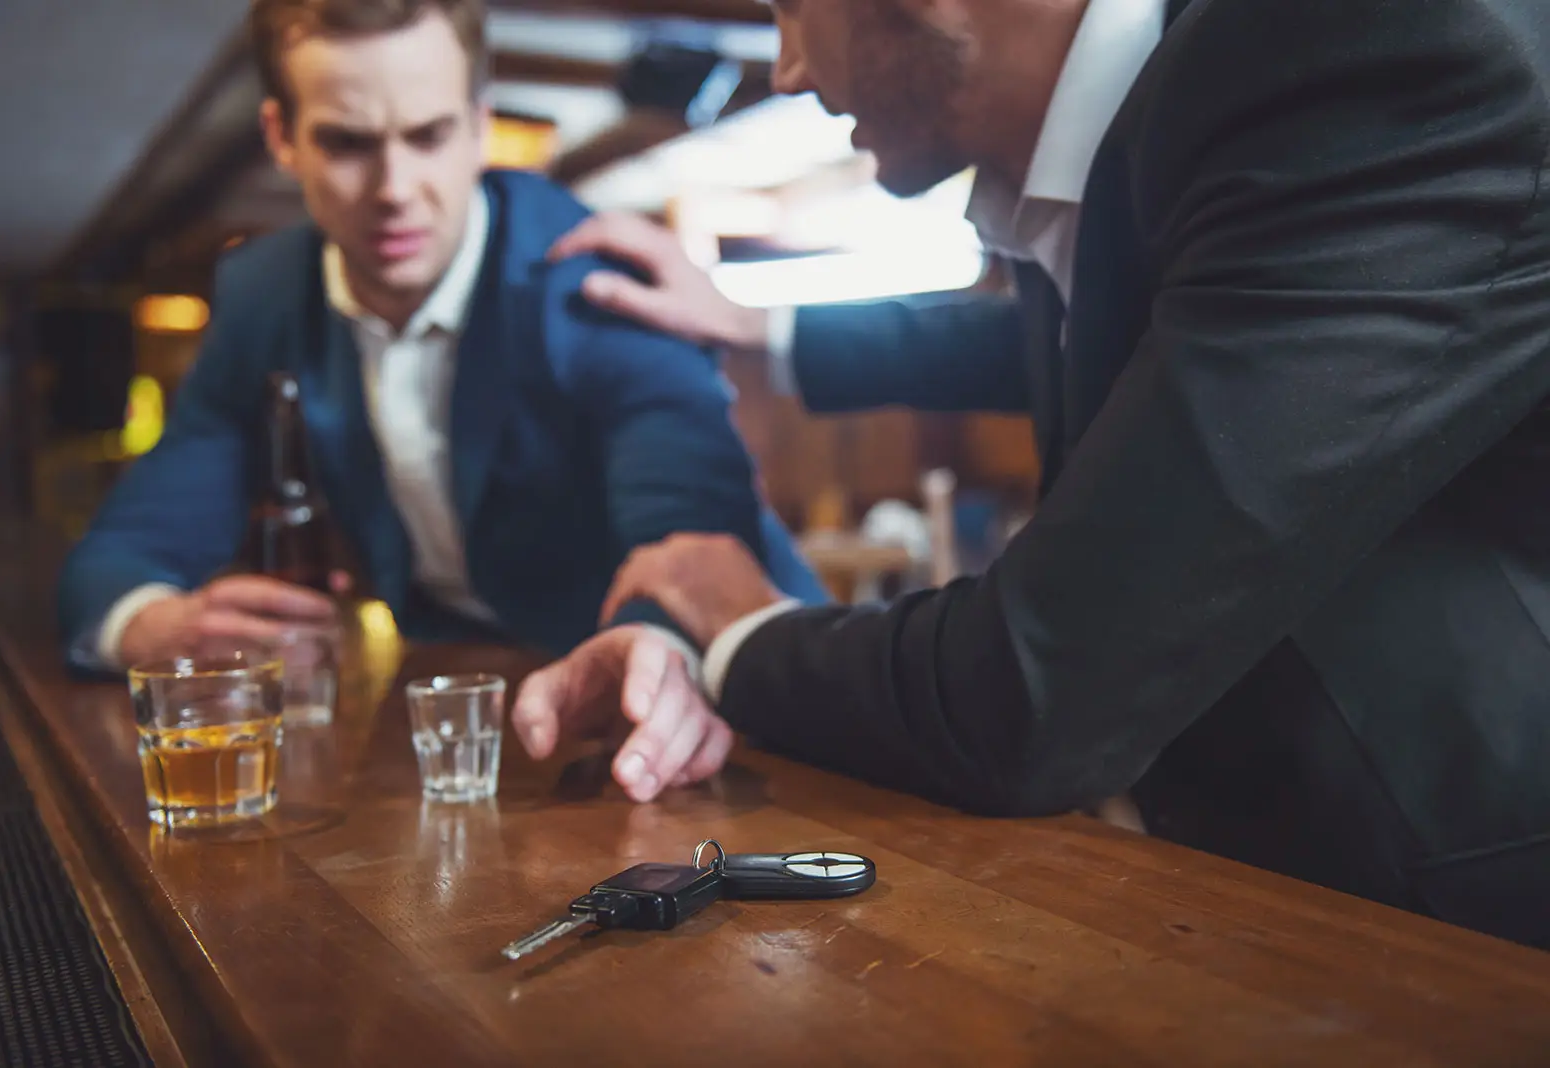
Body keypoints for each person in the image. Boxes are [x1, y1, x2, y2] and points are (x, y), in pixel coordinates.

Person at [511, 0, 1550, 948]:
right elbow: (1125, 326)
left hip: (1468, 926)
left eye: (789, 10)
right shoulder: (1154, 130)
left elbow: (1028, 689)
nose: (783, 69)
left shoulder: (1362, 52)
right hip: (1258, 893)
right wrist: (763, 328)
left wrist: (739, 620)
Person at [56, 0, 827, 748]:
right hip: (483, 710)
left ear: (479, 127)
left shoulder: (594, 276)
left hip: (744, 699)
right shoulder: (265, 295)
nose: (395, 189)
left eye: (429, 135)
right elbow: (119, 555)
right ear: (282, 138)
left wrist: (653, 652)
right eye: (348, 143)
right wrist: (151, 624)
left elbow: (690, 538)